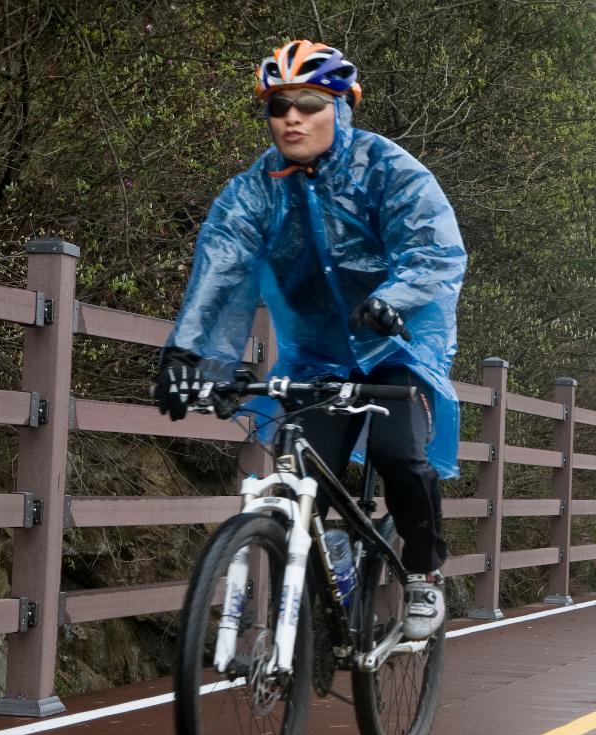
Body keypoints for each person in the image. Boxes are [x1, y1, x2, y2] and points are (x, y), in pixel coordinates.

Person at [153, 40, 466, 640]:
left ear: (342, 106)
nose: (291, 118)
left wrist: (391, 300)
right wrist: (187, 354)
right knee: (303, 479)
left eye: (308, 102)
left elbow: (434, 250)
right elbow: (220, 268)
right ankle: (328, 565)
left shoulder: (389, 168)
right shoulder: (256, 188)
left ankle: (424, 575)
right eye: (277, 107)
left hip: (397, 342)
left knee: (398, 455)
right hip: (318, 352)